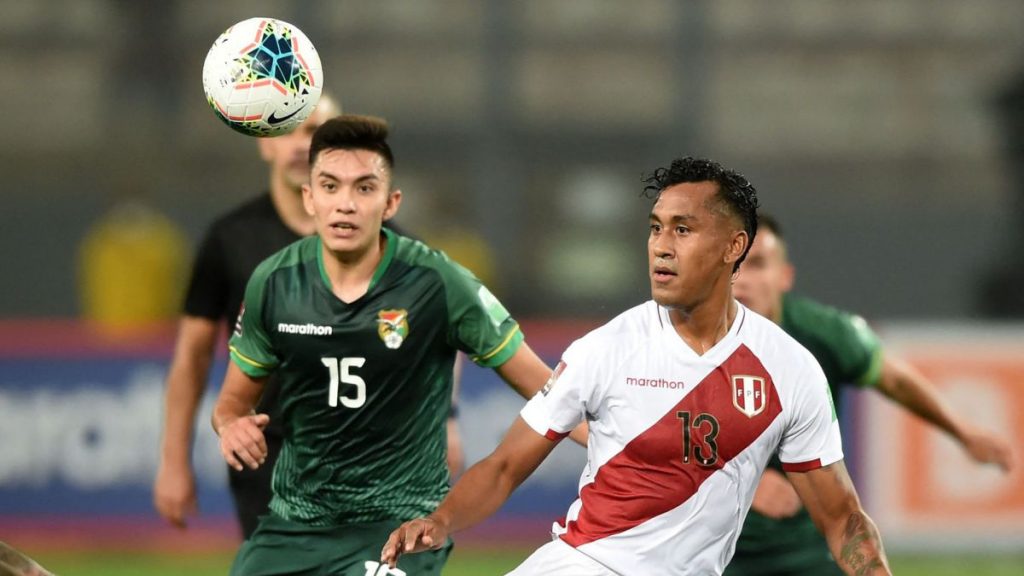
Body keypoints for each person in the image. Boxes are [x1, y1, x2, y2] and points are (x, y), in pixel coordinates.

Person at [381, 157, 891, 576]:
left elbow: (842, 517)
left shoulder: (788, 369)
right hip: (582, 564)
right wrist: (442, 521)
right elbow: (505, 466)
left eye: (683, 230)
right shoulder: (606, 348)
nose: (661, 247)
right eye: (656, 229)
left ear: (733, 248)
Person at [212, 114, 571, 576]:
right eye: (330, 186)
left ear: (390, 203)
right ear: (310, 198)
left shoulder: (437, 282)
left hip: (399, 529)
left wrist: (618, 440)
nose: (346, 204)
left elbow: (551, 390)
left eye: (364, 188)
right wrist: (231, 425)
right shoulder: (274, 282)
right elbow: (230, 404)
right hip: (293, 528)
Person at [726, 214, 1014, 576]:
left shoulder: (823, 334)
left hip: (808, 551)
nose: (742, 281)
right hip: (713, 553)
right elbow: (646, 442)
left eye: (757, 265)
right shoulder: (678, 346)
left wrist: (963, 430)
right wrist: (741, 480)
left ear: (784, 276)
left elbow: (894, 380)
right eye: (732, 266)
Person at [153, 95, 346, 537]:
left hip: (361, 454)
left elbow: (431, 333)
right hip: (265, 453)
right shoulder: (230, 238)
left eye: (316, 131)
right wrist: (173, 460)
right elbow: (193, 356)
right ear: (265, 145)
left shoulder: (383, 241)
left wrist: (447, 423)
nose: (302, 144)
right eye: (290, 130)